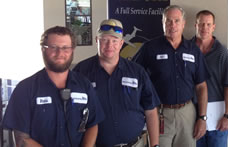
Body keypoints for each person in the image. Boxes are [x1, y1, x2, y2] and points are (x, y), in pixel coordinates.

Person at [2, 26, 104, 147]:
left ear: (72, 50)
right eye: (53, 47)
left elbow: (92, 124)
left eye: (65, 48)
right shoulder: (25, 89)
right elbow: (21, 138)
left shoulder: (84, 85)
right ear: (43, 49)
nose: (60, 53)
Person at [73, 19, 160, 147]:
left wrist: (155, 145)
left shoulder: (137, 72)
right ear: (97, 40)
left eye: (114, 41)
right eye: (105, 40)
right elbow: (72, 112)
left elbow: (151, 111)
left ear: (121, 43)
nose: (109, 45)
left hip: (135, 144)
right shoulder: (81, 71)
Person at [132, 5, 210, 147]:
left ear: (183, 24)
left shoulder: (194, 50)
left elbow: (201, 86)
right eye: (168, 21)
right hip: (159, 114)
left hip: (187, 114)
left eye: (176, 21)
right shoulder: (149, 48)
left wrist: (202, 118)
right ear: (162, 23)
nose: (172, 25)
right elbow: (134, 79)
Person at [193, 10, 228, 147]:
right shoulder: (187, 49)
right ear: (196, 25)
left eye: (208, 24)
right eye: (201, 24)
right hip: (192, 115)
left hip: (217, 118)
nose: (204, 28)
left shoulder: (222, 53)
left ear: (213, 27)